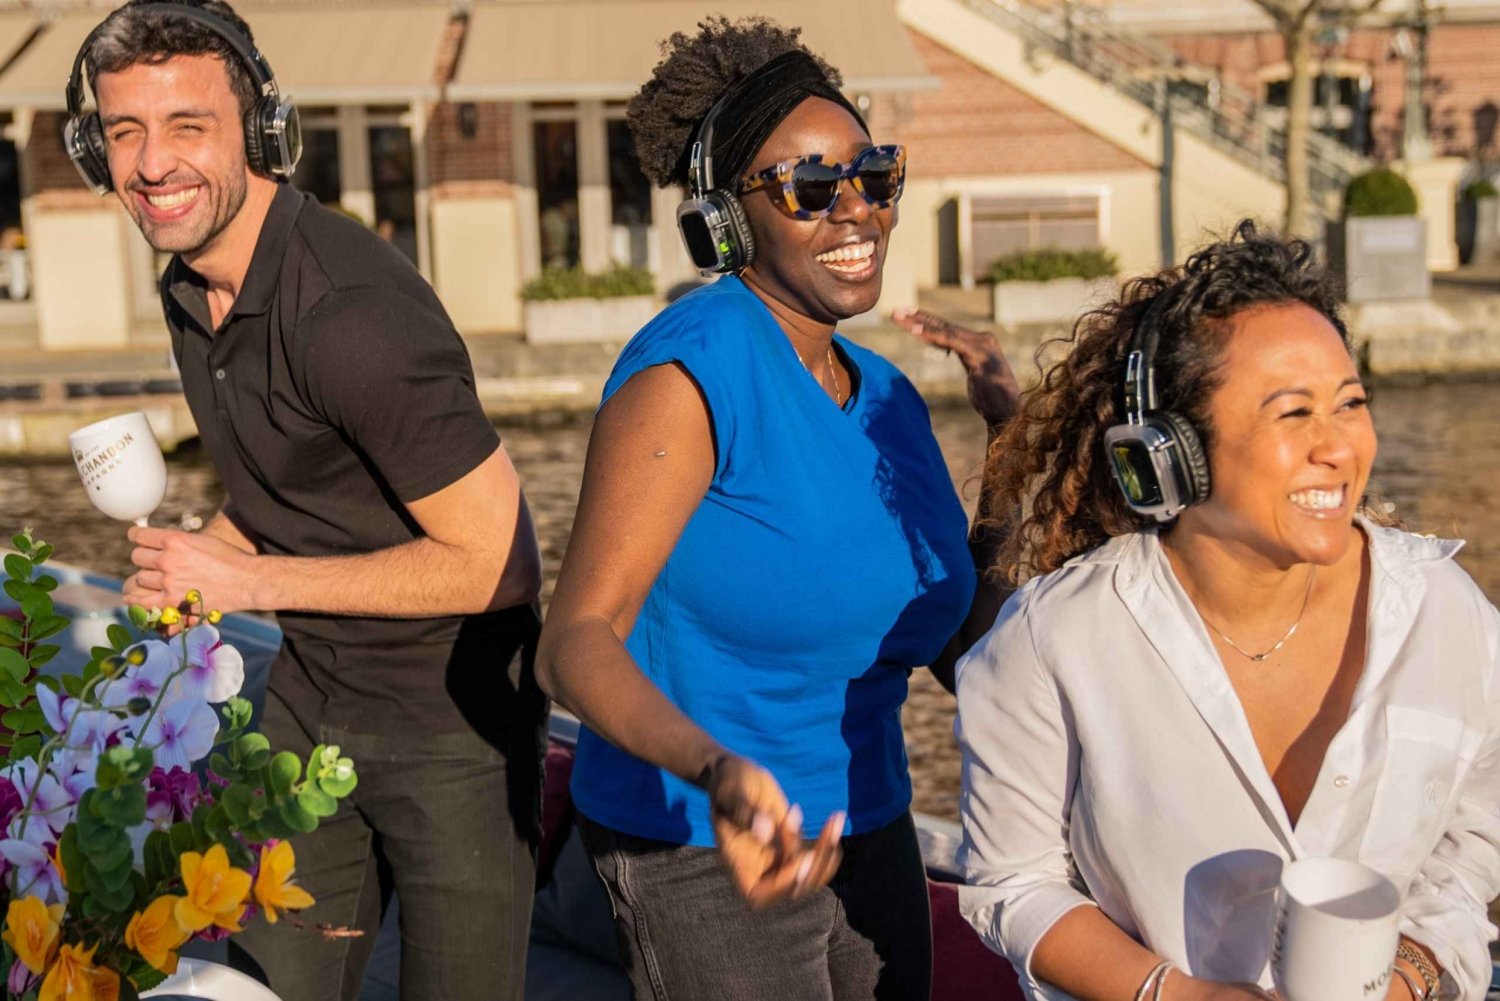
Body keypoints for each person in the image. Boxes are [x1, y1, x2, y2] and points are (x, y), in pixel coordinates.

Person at [535, 16, 1018, 1001]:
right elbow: (575, 640)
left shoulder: (884, 396)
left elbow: (962, 648)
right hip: (702, 837)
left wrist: (1013, 450)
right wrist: (717, 771)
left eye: (874, 175)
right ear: (728, 220)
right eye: (808, 187)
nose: (857, 211)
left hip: (866, 819)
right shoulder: (688, 375)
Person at [77, 2, 547, 998]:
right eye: (125, 132)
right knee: (260, 984)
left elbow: (498, 561)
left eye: (187, 127)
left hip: (449, 724)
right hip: (309, 693)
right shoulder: (189, 285)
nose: (152, 164)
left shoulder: (349, 313)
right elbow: (289, 481)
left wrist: (244, 576)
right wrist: (204, 558)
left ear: (260, 132)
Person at [953, 221, 1500, 1000]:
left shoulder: (1449, 614)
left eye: (1350, 402)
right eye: (1293, 412)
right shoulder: (1053, 642)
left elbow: (1475, 833)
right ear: (1170, 452)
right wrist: (1181, 994)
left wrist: (1409, 969)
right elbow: (1012, 882)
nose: (1339, 445)